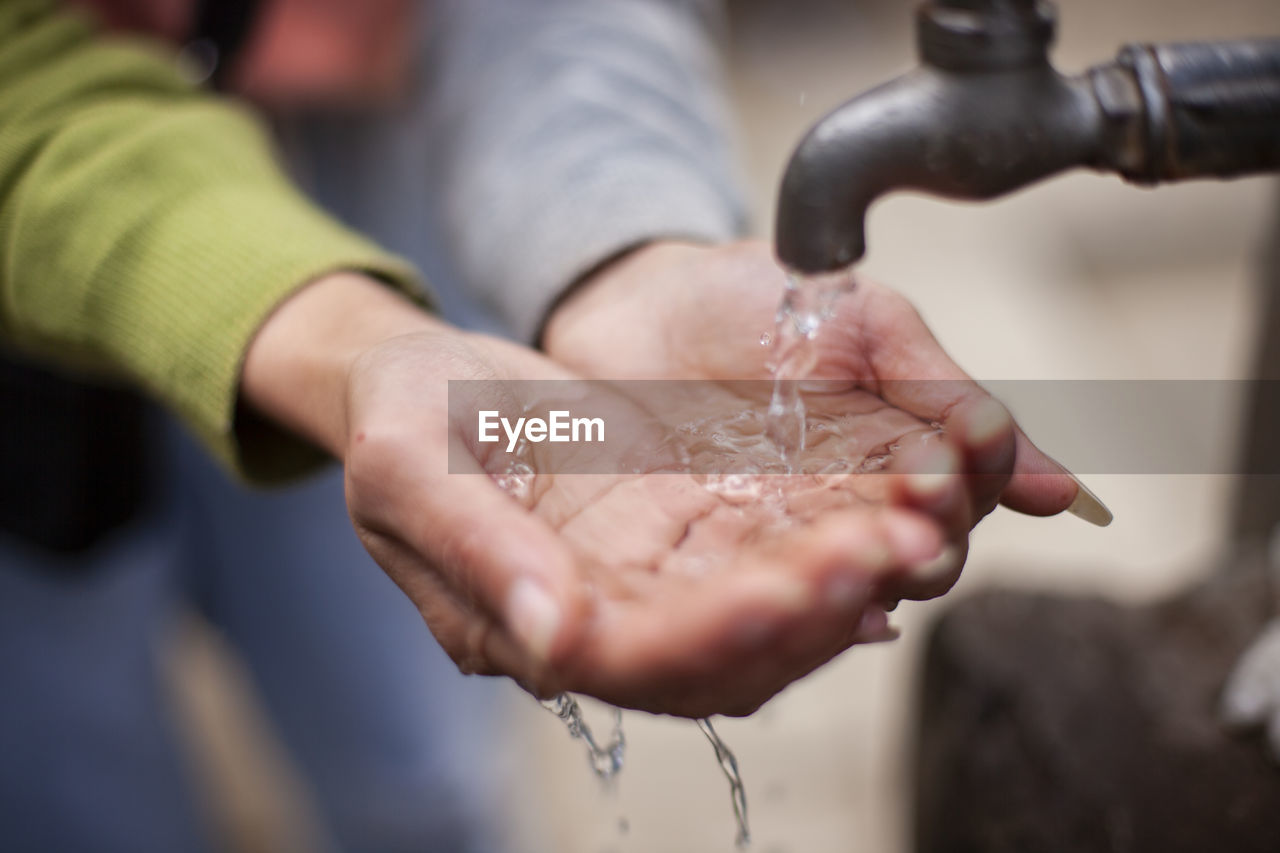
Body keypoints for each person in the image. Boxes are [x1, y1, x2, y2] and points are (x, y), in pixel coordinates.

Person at [0, 0, 1093, 849]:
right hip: (39, 166)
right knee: (73, 787)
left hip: (362, 101)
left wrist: (621, 250)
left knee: (416, 779)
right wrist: (336, 333)